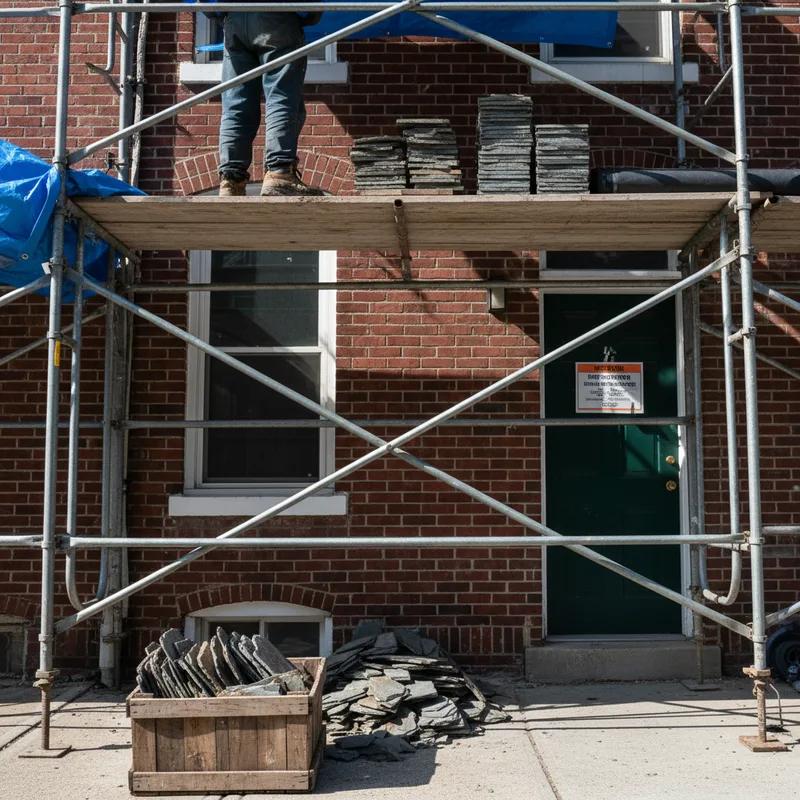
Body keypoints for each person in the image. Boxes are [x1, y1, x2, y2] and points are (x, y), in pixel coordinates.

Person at [216, 2, 323, 197]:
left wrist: (223, 15)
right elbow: (313, 8)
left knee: (236, 102)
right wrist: (312, 15)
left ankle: (231, 180)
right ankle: (279, 173)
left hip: (234, 17)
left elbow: (207, 7)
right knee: (281, 95)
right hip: (276, 16)